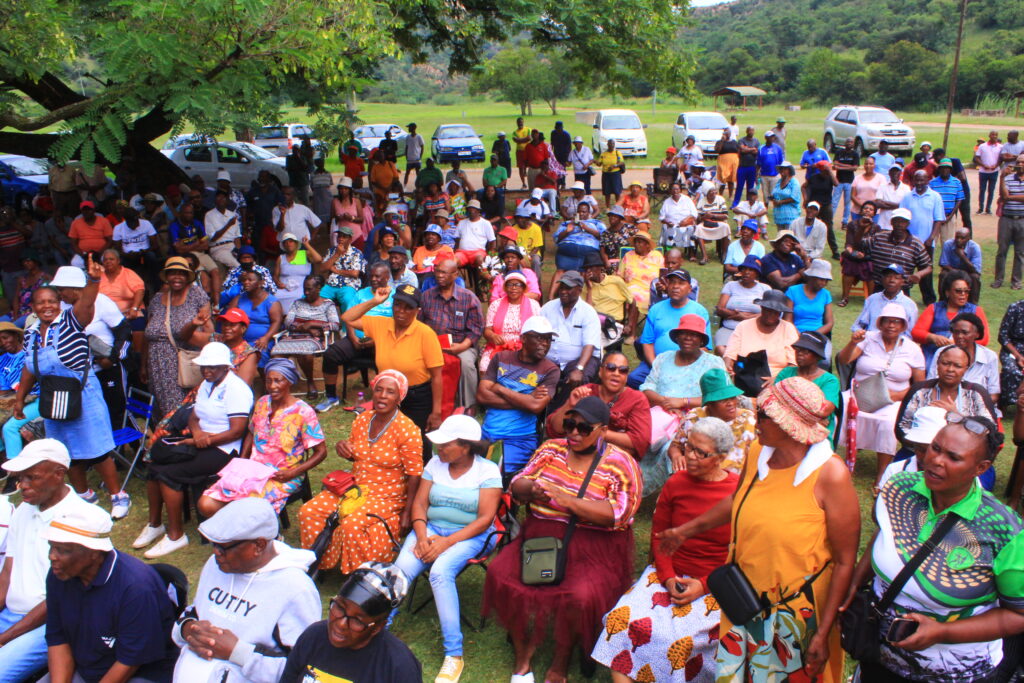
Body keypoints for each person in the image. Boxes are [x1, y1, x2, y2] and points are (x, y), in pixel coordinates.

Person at [658, 378, 859, 682]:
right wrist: (686, 530)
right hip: (744, 599)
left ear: (789, 424)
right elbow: (736, 500)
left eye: (764, 415)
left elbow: (845, 561)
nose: (754, 417)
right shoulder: (757, 453)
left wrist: (824, 630)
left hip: (796, 614)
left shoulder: (830, 474)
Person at [843, 417, 1024, 683]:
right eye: (935, 448)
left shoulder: (1004, 530)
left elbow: (1017, 615)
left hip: (957, 672)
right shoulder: (897, 489)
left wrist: (942, 632)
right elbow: (884, 537)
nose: (936, 461)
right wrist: (854, 585)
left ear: (981, 467)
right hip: (878, 657)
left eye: (953, 457)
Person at [483, 396, 642, 683]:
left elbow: (619, 514)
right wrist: (529, 489)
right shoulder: (551, 449)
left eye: (583, 428)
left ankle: (561, 658)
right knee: (501, 574)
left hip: (594, 546)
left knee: (579, 595)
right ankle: (523, 654)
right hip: (539, 537)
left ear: (603, 430)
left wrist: (566, 500)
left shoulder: (621, 463)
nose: (573, 433)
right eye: (569, 424)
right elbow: (518, 481)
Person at [594, 416, 736, 683]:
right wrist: (668, 577)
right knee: (620, 622)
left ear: (722, 457)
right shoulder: (676, 483)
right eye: (687, 447)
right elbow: (660, 539)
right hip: (667, 573)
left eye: (701, 452)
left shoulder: (737, 492)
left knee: (677, 640)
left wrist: (703, 585)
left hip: (716, 582)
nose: (690, 457)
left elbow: (741, 555)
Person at [13, 259, 129, 519]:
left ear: (59, 304)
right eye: (40, 302)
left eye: (51, 302)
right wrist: (20, 399)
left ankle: (118, 496)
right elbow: (29, 368)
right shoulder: (30, 333)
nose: (46, 307)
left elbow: (87, 302)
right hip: (52, 396)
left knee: (97, 450)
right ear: (33, 307)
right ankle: (84, 495)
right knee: (65, 451)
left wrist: (94, 280)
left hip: (82, 393)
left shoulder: (71, 321)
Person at [391, 415, 501, 683]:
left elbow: (485, 519)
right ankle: (375, 627)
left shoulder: (487, 471)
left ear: (465, 447)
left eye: (445, 444)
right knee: (401, 569)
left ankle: (454, 654)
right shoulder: (435, 464)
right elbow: (419, 505)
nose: (438, 449)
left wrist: (446, 543)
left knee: (440, 572)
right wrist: (421, 537)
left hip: (470, 535)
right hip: (430, 530)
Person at [172, 498, 322, 683]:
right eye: (214, 544)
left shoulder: (296, 589)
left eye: (223, 547)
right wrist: (187, 629)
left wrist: (238, 653)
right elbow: (193, 613)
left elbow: (302, 670)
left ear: (258, 545)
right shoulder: (216, 565)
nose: (216, 553)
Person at [135, 342, 254, 558]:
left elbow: (237, 432)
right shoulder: (207, 384)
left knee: (169, 473)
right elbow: (194, 415)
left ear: (225, 367)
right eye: (204, 367)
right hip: (202, 441)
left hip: (224, 451)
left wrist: (204, 441)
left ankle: (175, 535)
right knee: (154, 464)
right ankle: (155, 524)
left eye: (213, 367)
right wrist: (197, 432)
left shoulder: (236, 389)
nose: (207, 371)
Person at [299, 371, 424, 573]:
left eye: (390, 392)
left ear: (399, 397)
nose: (383, 396)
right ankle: (318, 563)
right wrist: (343, 447)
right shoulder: (363, 419)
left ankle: (359, 575)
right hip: (354, 489)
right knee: (310, 511)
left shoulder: (408, 430)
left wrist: (408, 512)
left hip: (387, 496)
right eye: (379, 390)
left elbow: (415, 473)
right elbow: (356, 454)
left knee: (352, 524)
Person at [42, 504, 179, 683]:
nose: (52, 556)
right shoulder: (59, 573)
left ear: (93, 552)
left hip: (136, 674)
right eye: (51, 547)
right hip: (86, 667)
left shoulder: (136, 588)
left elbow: (130, 661)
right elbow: (58, 637)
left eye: (63, 550)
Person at [0, 440, 100, 680]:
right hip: (11, 617)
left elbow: (59, 600)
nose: (22, 486)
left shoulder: (83, 520)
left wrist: (4, 638)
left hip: (51, 624)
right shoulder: (24, 509)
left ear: (58, 474)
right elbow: (7, 575)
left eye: (31, 477)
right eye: (20, 478)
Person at [197, 358, 326, 516]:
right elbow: (252, 431)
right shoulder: (263, 403)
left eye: (278, 381)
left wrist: (294, 472)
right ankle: (240, 530)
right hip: (253, 470)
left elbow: (321, 452)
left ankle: (254, 533)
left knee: (245, 510)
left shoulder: (303, 412)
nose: (272, 386)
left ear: (290, 381)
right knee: (206, 504)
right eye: (268, 381)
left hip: (282, 476)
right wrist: (243, 460)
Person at [280, 562, 421, 682]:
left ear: (377, 627)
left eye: (357, 621)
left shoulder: (399, 666)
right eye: (340, 608)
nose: (341, 624)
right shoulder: (313, 637)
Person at [343, 285, 444, 451]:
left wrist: (436, 412)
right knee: (384, 438)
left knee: (416, 442)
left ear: (417, 310)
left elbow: (437, 377)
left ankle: (417, 476)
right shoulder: (381, 324)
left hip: (417, 395)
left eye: (408, 308)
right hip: (385, 393)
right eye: (397, 305)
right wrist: (375, 301)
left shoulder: (425, 334)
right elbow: (348, 317)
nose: (401, 311)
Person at [838, 303, 926, 486]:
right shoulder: (868, 339)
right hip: (860, 394)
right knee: (840, 408)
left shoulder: (912, 349)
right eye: (887, 321)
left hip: (893, 398)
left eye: (896, 322)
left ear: (903, 326)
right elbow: (844, 360)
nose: (891, 325)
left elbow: (920, 384)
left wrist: (898, 395)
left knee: (888, 423)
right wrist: (853, 342)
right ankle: (841, 463)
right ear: (879, 323)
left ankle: (882, 474)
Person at [901, 344, 999, 485]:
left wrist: (959, 417)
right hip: (919, 452)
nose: (950, 369)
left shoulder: (976, 393)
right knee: (900, 480)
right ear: (937, 364)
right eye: (945, 363)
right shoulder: (921, 390)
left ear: (966, 369)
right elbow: (901, 427)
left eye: (957, 366)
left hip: (963, 456)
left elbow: (990, 431)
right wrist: (925, 444)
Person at [546, 351, 651, 461]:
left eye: (623, 370)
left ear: (626, 376)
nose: (616, 373)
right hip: (577, 454)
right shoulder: (586, 391)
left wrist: (596, 432)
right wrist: (569, 405)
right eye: (611, 368)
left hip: (614, 461)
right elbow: (555, 429)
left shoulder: (637, 399)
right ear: (601, 371)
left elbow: (640, 441)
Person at [143, 257, 213, 414]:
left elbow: (209, 331)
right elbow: (148, 333)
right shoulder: (157, 299)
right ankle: (165, 436)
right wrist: (143, 364)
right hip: (156, 363)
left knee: (180, 408)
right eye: (172, 273)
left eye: (181, 273)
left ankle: (179, 435)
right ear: (166, 277)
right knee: (160, 405)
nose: (177, 277)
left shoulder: (196, 295)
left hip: (182, 360)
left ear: (187, 276)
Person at [419, 260, 484, 413]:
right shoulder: (427, 296)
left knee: (467, 364)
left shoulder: (468, 298)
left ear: (455, 275)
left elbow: (476, 329)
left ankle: (468, 406)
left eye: (444, 273)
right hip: (433, 343)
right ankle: (423, 402)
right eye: (438, 271)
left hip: (462, 344)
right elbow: (419, 324)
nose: (439, 276)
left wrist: (462, 346)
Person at [628, 269, 710, 389]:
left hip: (688, 364)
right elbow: (647, 343)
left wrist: (686, 368)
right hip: (656, 363)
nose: (675, 286)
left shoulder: (699, 311)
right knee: (634, 378)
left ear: (689, 288)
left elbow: (705, 346)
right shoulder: (656, 309)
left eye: (681, 283)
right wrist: (655, 366)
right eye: (672, 282)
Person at [668, 369, 756, 476]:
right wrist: (676, 456)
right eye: (723, 400)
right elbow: (675, 445)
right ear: (709, 403)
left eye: (733, 397)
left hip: (737, 482)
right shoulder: (694, 418)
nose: (731, 403)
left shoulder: (749, 420)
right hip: (699, 479)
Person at [541, 271, 603, 407]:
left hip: (581, 359)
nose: (563, 291)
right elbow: (539, 336)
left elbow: (589, 345)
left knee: (578, 378)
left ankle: (557, 413)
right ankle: (541, 414)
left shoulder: (588, 312)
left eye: (568, 288)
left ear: (579, 290)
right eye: (561, 287)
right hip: (551, 359)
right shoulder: (548, 308)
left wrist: (579, 368)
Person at [911, 269, 989, 366]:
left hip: (964, 357)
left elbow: (984, 339)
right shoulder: (934, 308)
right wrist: (933, 337)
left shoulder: (975, 311)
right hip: (933, 355)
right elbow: (916, 332)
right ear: (947, 292)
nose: (963, 295)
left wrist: (958, 342)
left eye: (966, 291)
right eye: (958, 291)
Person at [774, 330, 841, 439]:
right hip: (784, 431)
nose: (799, 353)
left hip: (816, 434)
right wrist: (809, 413)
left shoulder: (829, 380)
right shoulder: (786, 372)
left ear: (818, 356)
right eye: (798, 350)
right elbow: (773, 402)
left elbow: (823, 411)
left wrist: (787, 403)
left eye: (805, 351)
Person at [724, 289, 799, 379]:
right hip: (746, 377)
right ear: (762, 308)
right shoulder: (743, 326)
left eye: (776, 312)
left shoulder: (788, 328)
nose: (772, 314)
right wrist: (728, 368)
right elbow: (730, 354)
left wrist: (776, 379)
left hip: (778, 379)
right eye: (768, 310)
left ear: (780, 313)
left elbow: (793, 364)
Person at [927, 312, 1000, 405]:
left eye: (965, 332)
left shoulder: (989, 357)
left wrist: (968, 408)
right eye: (956, 332)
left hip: (978, 409)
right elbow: (930, 385)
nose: (959, 336)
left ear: (977, 334)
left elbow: (993, 395)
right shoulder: (941, 353)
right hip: (941, 405)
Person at [479, 272, 542, 372]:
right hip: (499, 347)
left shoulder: (534, 305)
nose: (513, 288)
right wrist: (492, 336)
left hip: (524, 349)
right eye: (510, 284)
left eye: (517, 284)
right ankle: (488, 387)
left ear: (523, 287)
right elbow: (487, 330)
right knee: (484, 367)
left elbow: (539, 332)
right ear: (505, 287)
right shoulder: (495, 305)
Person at [864, 208, 932, 295]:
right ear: (891, 222)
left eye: (903, 222)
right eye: (896, 221)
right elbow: (860, 245)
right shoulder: (879, 237)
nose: (899, 224)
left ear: (908, 224)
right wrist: (862, 228)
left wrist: (919, 274)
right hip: (879, 286)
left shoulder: (916, 244)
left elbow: (928, 266)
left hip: (902, 289)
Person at [714, 254, 771, 352]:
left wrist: (746, 318)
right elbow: (719, 309)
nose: (746, 272)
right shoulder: (730, 285)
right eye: (744, 269)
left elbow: (770, 314)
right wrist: (736, 315)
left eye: (751, 270)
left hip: (755, 329)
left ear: (757, 273)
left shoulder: (765, 288)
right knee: (721, 349)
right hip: (730, 328)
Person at [228, 267, 283, 367]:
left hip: (262, 341)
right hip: (240, 340)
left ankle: (264, 380)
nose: (246, 282)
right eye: (244, 280)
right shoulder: (239, 299)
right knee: (232, 357)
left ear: (261, 283)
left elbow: (277, 322)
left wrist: (266, 338)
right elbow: (229, 317)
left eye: (250, 280)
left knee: (261, 353)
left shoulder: (271, 301)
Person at [552, 201, 604, 295]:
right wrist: (567, 231)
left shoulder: (596, 223)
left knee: (584, 272)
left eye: (584, 212)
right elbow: (557, 239)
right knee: (560, 270)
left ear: (589, 213)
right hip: (568, 247)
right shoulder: (567, 223)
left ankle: (580, 296)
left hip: (589, 248)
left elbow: (604, 237)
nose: (581, 214)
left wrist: (588, 229)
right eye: (579, 212)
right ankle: (550, 297)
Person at [852, 263, 919, 334]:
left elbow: (911, 333)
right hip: (872, 341)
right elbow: (858, 326)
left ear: (902, 282)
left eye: (896, 277)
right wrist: (861, 334)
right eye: (888, 276)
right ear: (882, 279)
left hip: (897, 342)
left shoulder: (910, 304)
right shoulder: (872, 299)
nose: (891, 280)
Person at [784, 258, 834, 349]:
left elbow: (829, 323)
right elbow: (787, 319)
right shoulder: (793, 291)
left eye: (826, 280)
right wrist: (799, 335)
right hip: (794, 333)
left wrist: (812, 335)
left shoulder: (826, 294)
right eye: (821, 279)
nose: (823, 283)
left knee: (824, 361)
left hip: (817, 334)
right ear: (811, 277)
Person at [836, 201, 878, 307]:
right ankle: (845, 297)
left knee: (872, 267)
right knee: (850, 264)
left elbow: (874, 246)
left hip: (868, 255)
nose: (867, 210)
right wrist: (854, 253)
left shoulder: (876, 228)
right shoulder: (852, 225)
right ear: (861, 210)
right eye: (865, 208)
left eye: (871, 209)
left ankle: (871, 300)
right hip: (853, 254)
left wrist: (865, 255)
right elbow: (849, 244)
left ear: (874, 213)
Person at [994, 152, 1024, 290]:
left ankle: (1016, 281)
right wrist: (1002, 177)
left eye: (1023, 162)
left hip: (1022, 220)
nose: (1020, 165)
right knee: (1002, 250)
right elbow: (1003, 195)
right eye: (1018, 162)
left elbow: (1009, 197)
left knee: (1020, 252)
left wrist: (1010, 197)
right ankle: (998, 279)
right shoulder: (1008, 178)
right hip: (1006, 218)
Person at [272, 234, 323, 315]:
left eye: (291, 241)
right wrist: (278, 283)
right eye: (286, 242)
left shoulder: (304, 254)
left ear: (296, 244)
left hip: (302, 287)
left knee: (300, 297)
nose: (288, 244)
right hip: (284, 287)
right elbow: (275, 275)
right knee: (274, 297)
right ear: (283, 246)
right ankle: (281, 319)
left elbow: (319, 259)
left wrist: (307, 245)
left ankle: (295, 318)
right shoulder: (281, 258)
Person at [618, 230, 663, 316]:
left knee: (638, 298)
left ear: (647, 245)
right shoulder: (628, 255)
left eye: (640, 242)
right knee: (633, 296)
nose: (636, 244)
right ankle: (631, 327)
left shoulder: (657, 256)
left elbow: (663, 275)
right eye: (635, 242)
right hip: (630, 289)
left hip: (651, 290)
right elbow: (619, 275)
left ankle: (632, 326)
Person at [939, 227, 982, 303]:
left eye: (962, 238)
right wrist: (956, 273)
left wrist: (962, 256)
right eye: (957, 237)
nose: (959, 240)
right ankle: (943, 301)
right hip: (952, 270)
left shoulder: (975, 247)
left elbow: (976, 270)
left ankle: (973, 304)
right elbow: (943, 263)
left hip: (968, 272)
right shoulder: (948, 244)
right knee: (943, 274)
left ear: (968, 238)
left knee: (975, 277)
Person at [693, 185, 729, 265]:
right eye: (710, 191)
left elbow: (726, 215)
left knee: (726, 227)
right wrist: (703, 217)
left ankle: (724, 254)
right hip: (706, 222)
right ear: (706, 193)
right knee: (698, 228)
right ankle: (705, 256)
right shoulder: (702, 201)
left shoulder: (720, 199)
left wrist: (713, 215)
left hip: (719, 222)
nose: (713, 193)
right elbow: (698, 217)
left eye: (714, 191)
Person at [658, 182, 698, 253]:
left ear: (680, 190)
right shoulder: (667, 202)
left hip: (686, 224)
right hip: (672, 225)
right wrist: (667, 222)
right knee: (667, 228)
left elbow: (694, 214)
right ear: (670, 191)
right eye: (673, 189)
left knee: (690, 228)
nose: (675, 191)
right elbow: (661, 217)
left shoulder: (687, 200)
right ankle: (669, 251)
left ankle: (692, 254)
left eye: (677, 189)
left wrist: (686, 221)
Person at [999, 299, 1024, 410]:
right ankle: (1005, 401)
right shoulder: (1015, 307)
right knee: (1011, 370)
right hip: (1013, 350)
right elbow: (1003, 336)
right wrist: (1018, 356)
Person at [832, 137, 860, 227]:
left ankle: (845, 222)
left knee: (847, 203)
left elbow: (855, 168)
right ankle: (830, 220)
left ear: (853, 144)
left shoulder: (855, 154)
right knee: (834, 202)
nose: (849, 143)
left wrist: (840, 167)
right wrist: (848, 166)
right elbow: (835, 163)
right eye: (848, 141)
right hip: (838, 181)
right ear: (845, 143)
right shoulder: (839, 152)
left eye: (851, 142)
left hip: (849, 182)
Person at [875, 163, 912, 231]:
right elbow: (878, 203)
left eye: (897, 171)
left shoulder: (906, 188)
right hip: (884, 223)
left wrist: (885, 202)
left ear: (900, 173)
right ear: (889, 173)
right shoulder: (882, 187)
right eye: (892, 171)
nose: (894, 173)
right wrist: (899, 205)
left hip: (899, 224)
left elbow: (907, 205)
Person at [974, 129, 1003, 214]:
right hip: (983, 171)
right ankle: (981, 208)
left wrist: (996, 165)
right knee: (982, 189)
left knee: (991, 190)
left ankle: (988, 208)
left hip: (994, 171)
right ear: (989, 136)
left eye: (996, 135)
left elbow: (1001, 158)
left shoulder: (1000, 147)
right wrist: (983, 165)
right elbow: (976, 157)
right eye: (992, 135)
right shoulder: (982, 146)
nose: (994, 136)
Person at [771, 161, 803, 233]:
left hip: (790, 215)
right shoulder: (779, 182)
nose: (782, 171)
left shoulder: (794, 182)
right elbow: (774, 193)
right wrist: (773, 199)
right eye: (781, 169)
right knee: (780, 237)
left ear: (789, 170)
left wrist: (780, 202)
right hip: (779, 215)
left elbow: (794, 197)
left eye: (785, 169)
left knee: (789, 236)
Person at [599, 139, 626, 207]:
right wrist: (594, 161)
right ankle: (607, 207)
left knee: (617, 192)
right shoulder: (604, 154)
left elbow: (622, 162)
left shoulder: (617, 153)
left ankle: (617, 206)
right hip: (606, 174)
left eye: (613, 144)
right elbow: (599, 163)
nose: (611, 145)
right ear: (607, 144)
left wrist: (615, 166)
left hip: (615, 174)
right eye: (610, 144)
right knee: (607, 192)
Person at [715, 129, 740, 201]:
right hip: (723, 163)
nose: (726, 135)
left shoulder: (734, 142)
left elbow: (738, 151)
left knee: (731, 180)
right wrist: (722, 141)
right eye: (725, 133)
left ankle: (730, 195)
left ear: (730, 134)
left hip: (733, 163)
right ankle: (720, 195)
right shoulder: (719, 142)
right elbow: (717, 150)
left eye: (728, 133)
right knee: (722, 179)